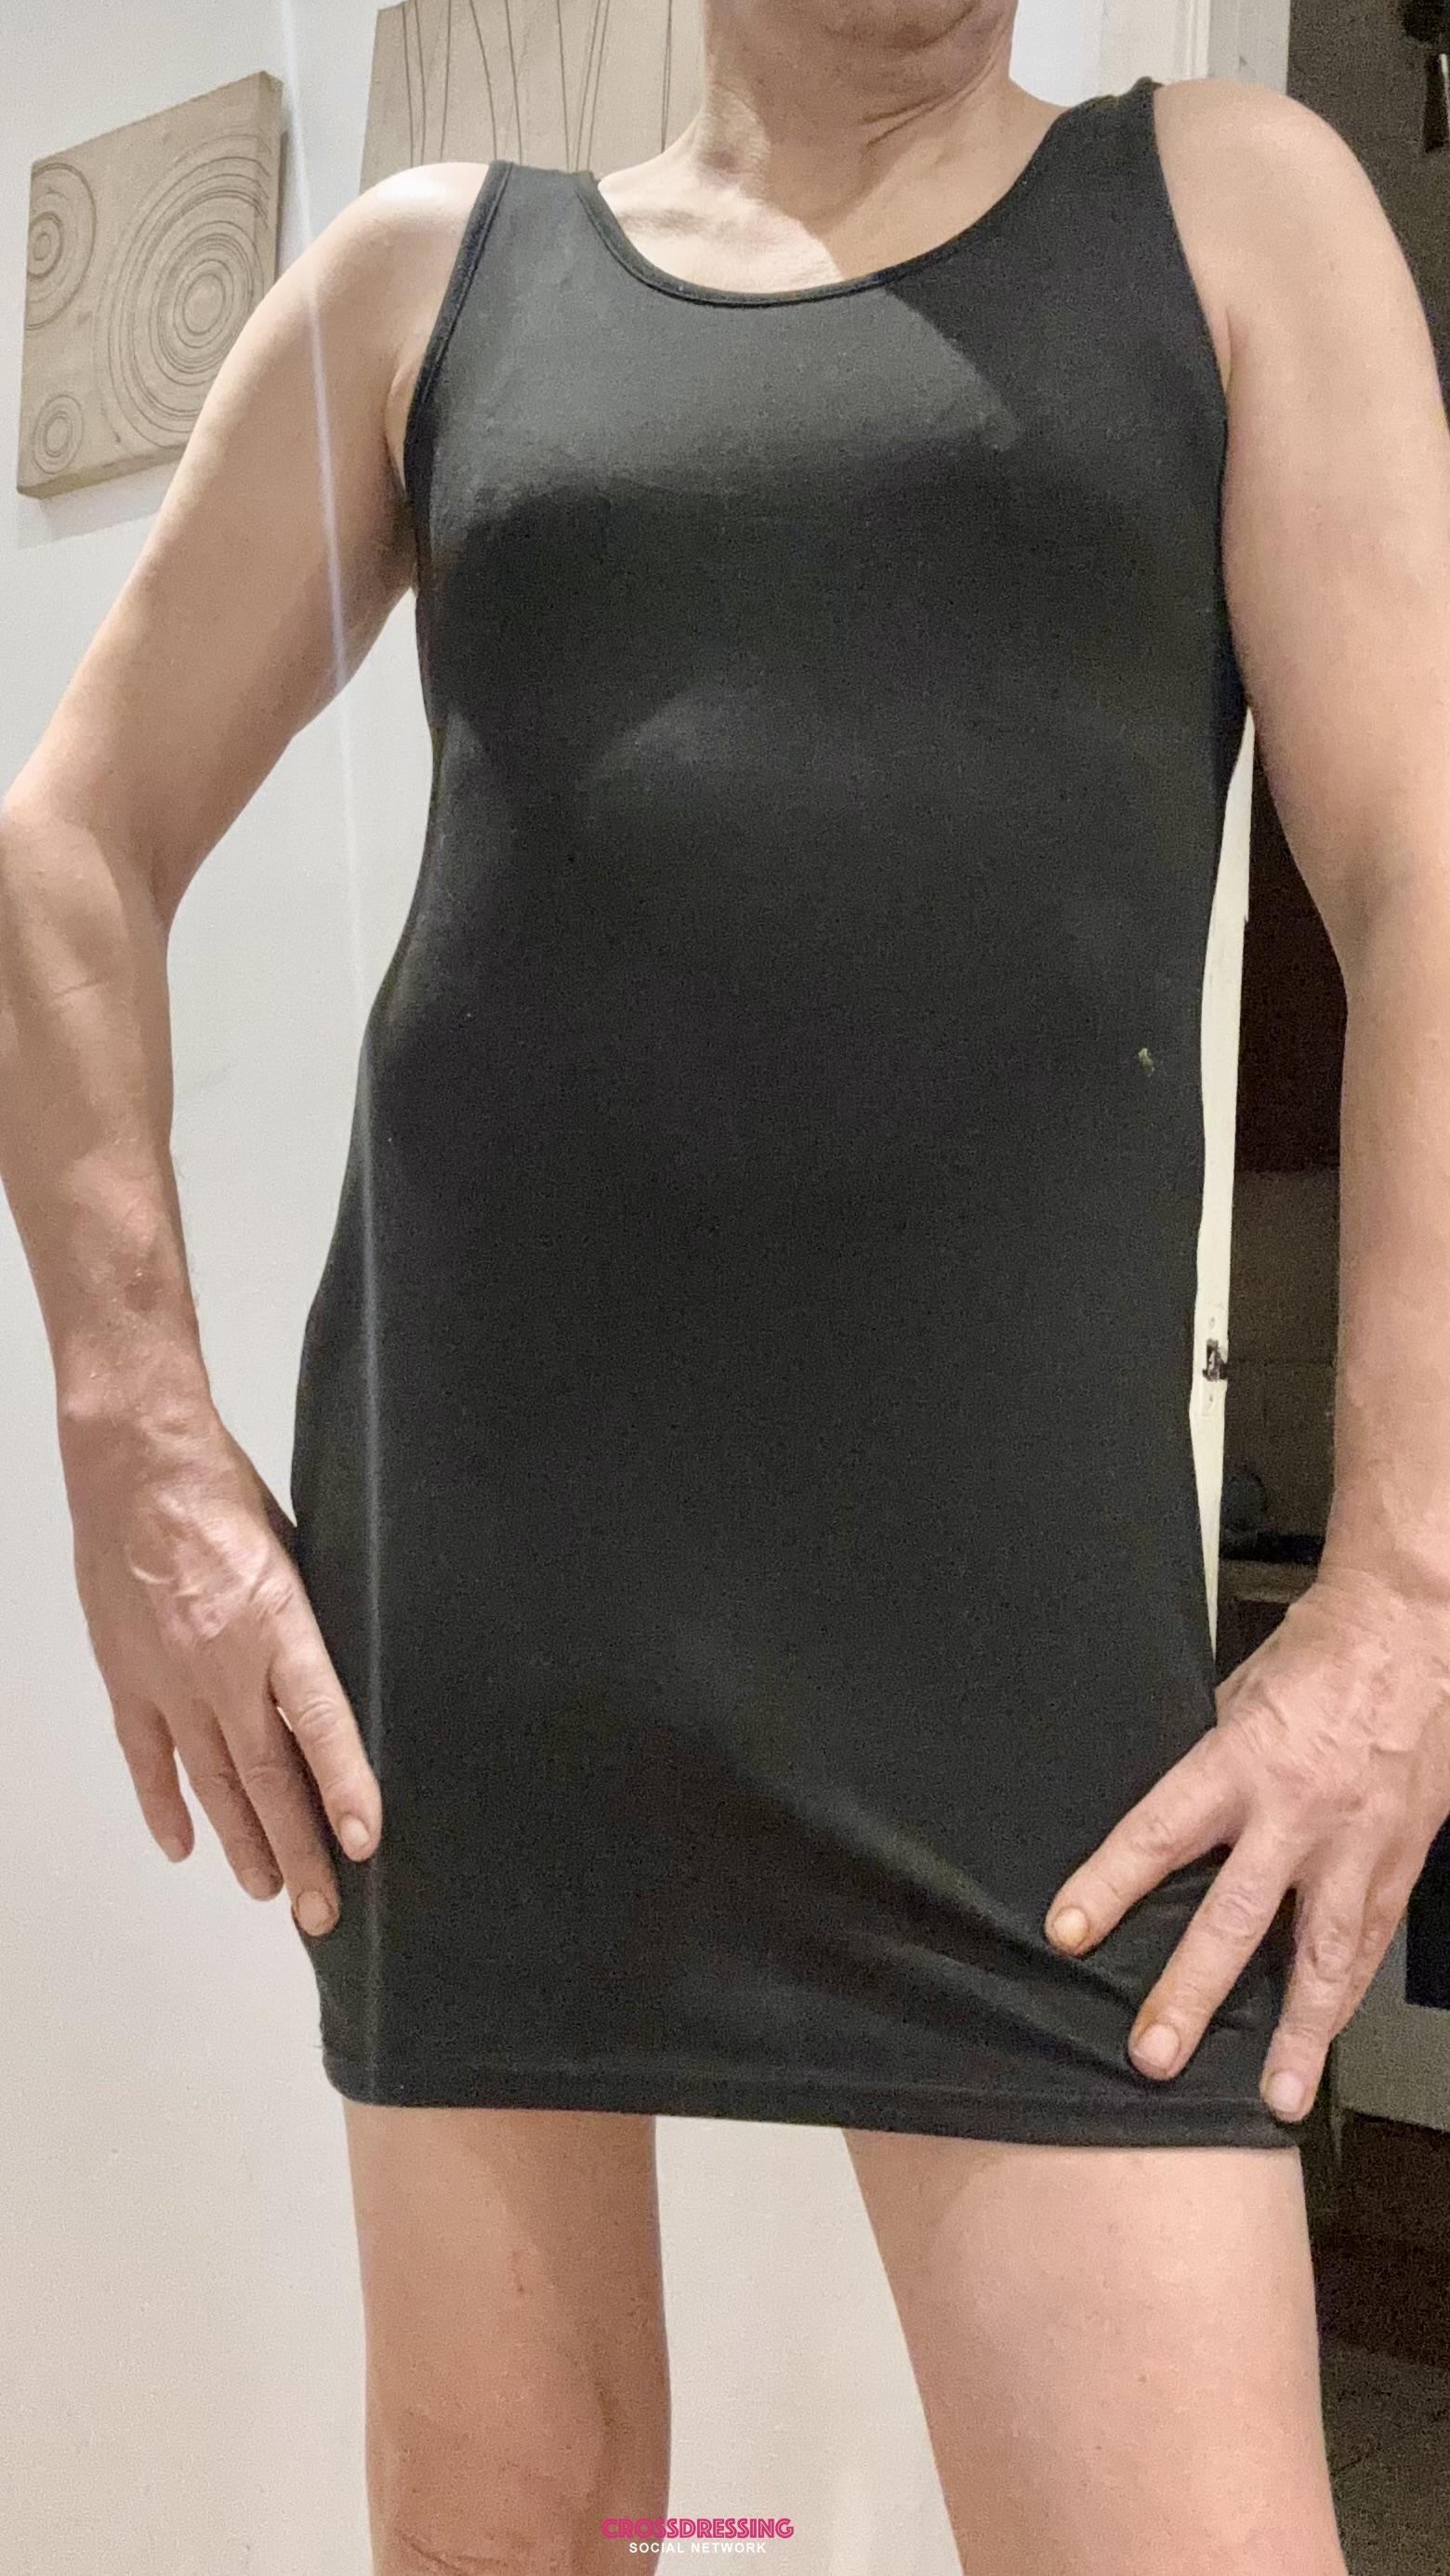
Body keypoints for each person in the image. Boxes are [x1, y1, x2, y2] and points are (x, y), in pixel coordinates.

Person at [5, 3, 1450, 2569]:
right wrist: (138, 1453)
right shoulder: (429, 283)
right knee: (506, 2526)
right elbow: (65, 852)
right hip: (491, 1611)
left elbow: (1427, 872)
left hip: (1018, 1652)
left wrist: (1408, 1593)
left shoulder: (1228, 212)